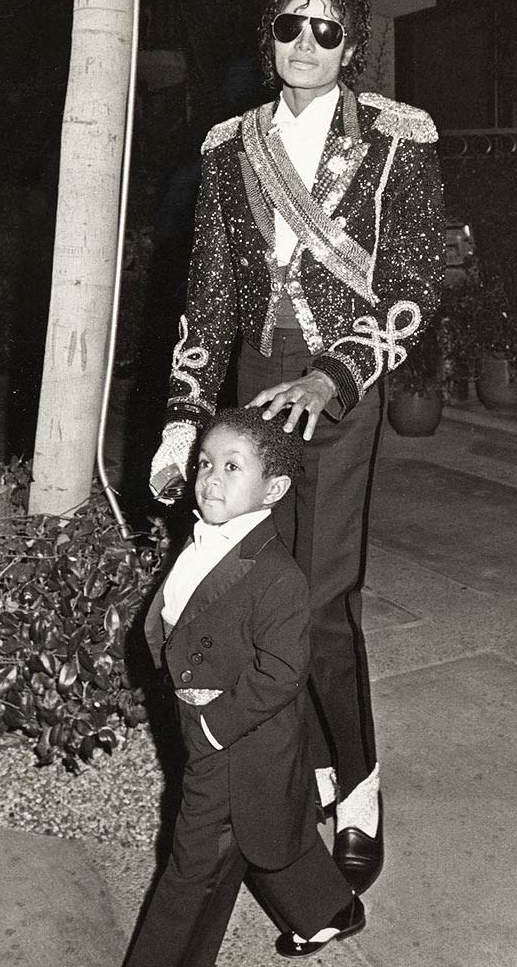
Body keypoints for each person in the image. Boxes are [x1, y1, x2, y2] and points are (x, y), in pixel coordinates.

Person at [150, 0, 445, 894]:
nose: (305, 44)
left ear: (350, 45)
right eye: (289, 27)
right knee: (251, 597)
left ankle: (355, 787)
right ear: (269, 39)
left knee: (318, 603)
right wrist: (184, 416)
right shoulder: (226, 144)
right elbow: (207, 291)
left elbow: (412, 282)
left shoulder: (398, 138)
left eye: (325, 30)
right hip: (252, 383)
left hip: (338, 386)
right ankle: (296, 769)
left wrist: (337, 373)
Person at [126, 408, 364, 967]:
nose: (211, 478)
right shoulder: (208, 535)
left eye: (233, 467)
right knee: (271, 827)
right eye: (205, 462)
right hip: (215, 723)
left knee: (193, 867)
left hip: (234, 737)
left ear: (274, 488)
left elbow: (282, 672)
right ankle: (330, 910)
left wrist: (210, 728)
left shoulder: (277, 576)